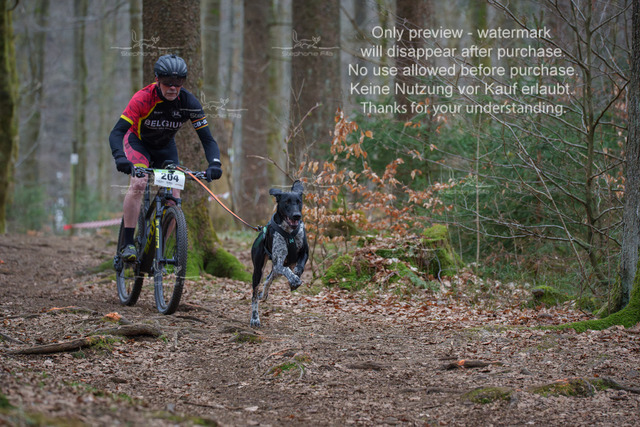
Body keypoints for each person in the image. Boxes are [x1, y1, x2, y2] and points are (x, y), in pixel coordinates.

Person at [109, 54, 222, 262]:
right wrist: (120, 158)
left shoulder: (188, 102)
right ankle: (128, 243)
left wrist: (214, 163)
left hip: (165, 147)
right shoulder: (143, 98)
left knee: (174, 195)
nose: (173, 87)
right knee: (139, 183)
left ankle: (157, 251)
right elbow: (117, 133)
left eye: (178, 82)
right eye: (168, 82)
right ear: (157, 79)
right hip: (138, 143)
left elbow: (207, 139)